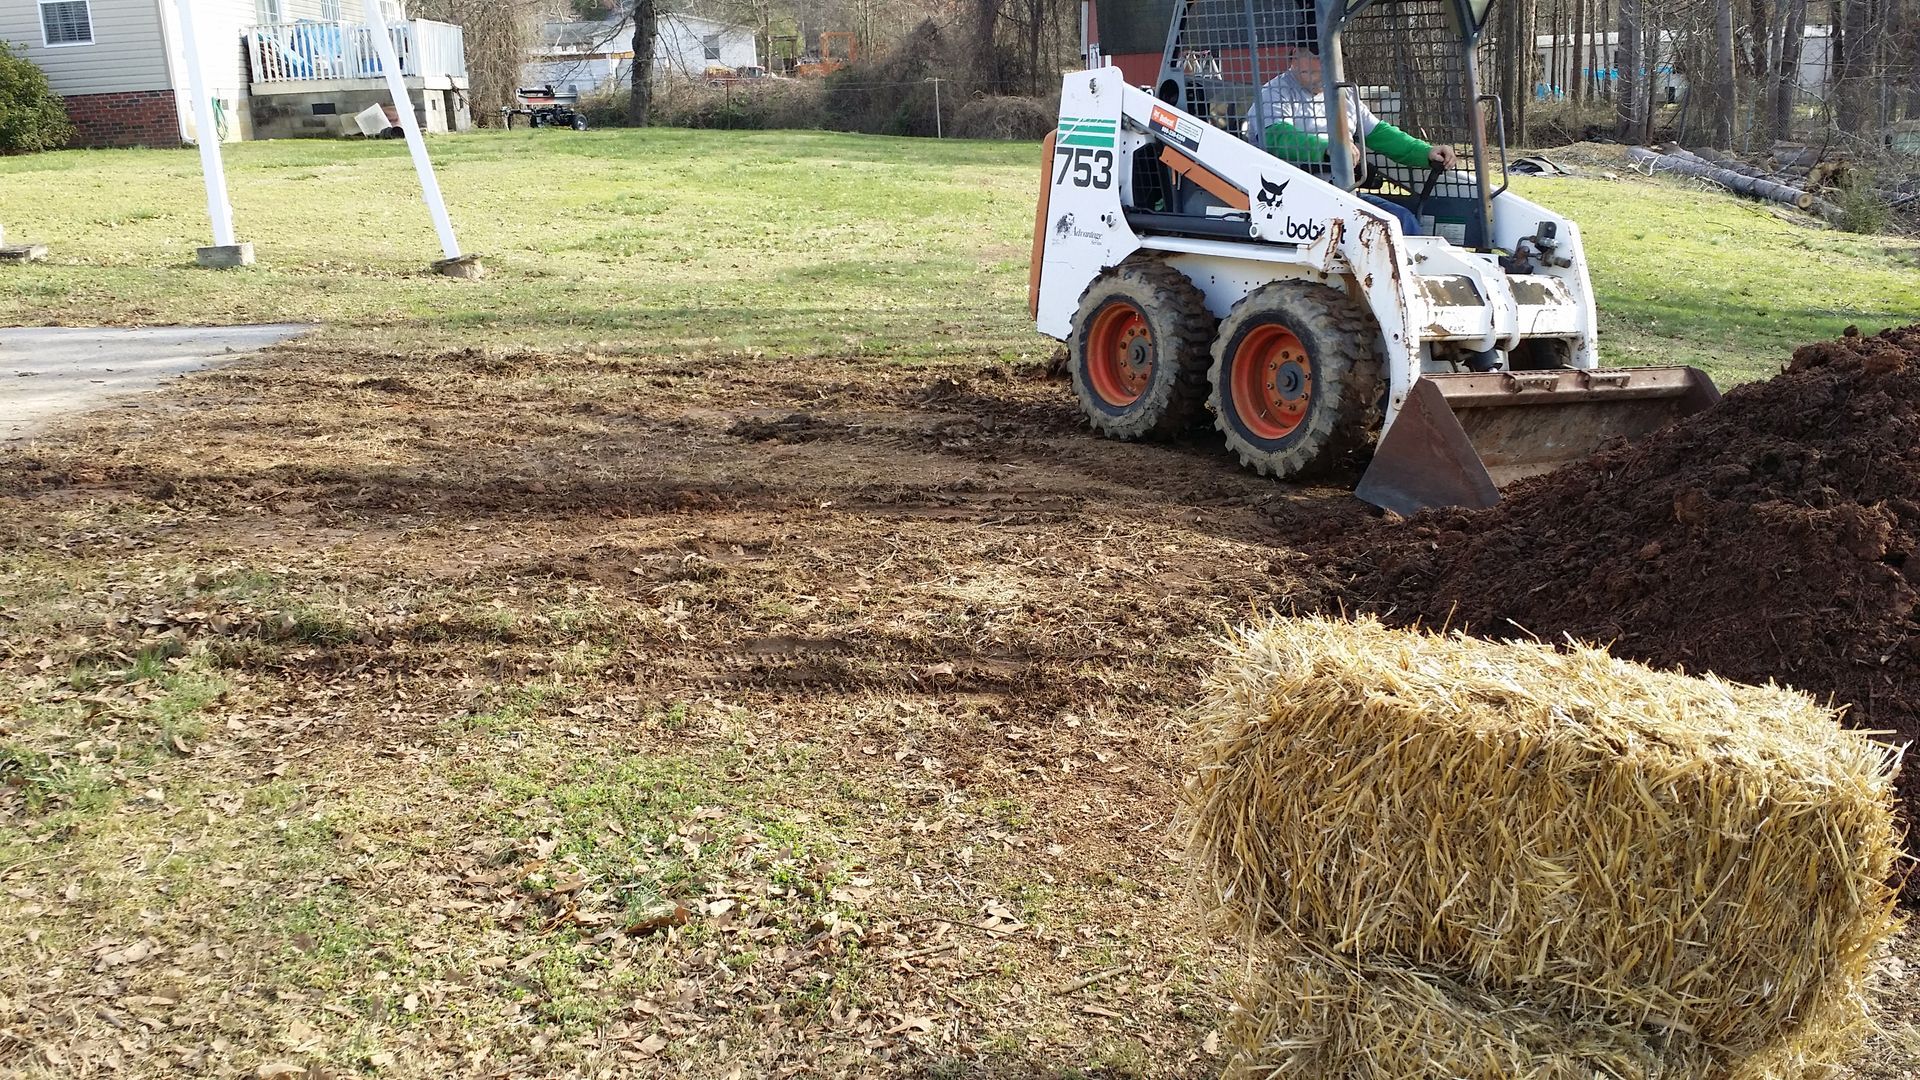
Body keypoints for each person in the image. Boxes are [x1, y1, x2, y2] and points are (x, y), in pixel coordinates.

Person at [1248, 39, 1458, 236]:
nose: (1325, 65)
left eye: (1331, 58)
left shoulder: (1343, 94)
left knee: (1401, 221)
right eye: (1317, 57)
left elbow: (1378, 132)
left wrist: (1425, 151)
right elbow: (1276, 137)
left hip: (1341, 194)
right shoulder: (1274, 93)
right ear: (1295, 56)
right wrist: (1332, 149)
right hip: (1292, 201)